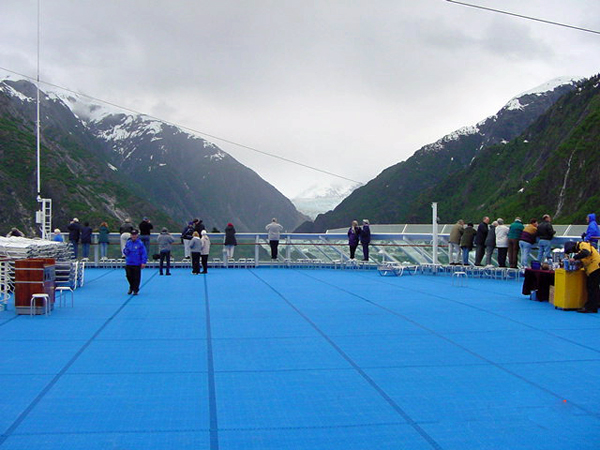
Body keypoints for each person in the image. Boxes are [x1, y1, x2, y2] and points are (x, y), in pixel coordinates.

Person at [564, 241, 600, 313]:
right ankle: (594, 305)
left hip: (595, 267)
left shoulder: (583, 244)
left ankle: (591, 307)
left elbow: (586, 252)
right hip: (592, 269)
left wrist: (574, 258)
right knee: (593, 288)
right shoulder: (580, 250)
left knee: (592, 288)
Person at [123, 229, 147, 295]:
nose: (133, 236)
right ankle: (131, 286)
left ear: (137, 235)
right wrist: (126, 251)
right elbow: (125, 251)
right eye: (132, 235)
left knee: (136, 277)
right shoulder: (128, 243)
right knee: (129, 276)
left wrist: (143, 262)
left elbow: (144, 253)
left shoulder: (140, 243)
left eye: (135, 235)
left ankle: (135, 289)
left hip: (137, 262)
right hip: (129, 262)